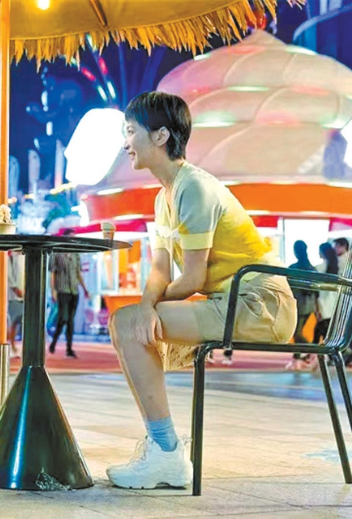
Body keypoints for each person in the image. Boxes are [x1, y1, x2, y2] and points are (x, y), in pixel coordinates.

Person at [107, 91, 297, 489]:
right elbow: (161, 270)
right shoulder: (163, 197)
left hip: (261, 303)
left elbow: (192, 279)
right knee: (126, 322)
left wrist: (147, 309)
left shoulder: (194, 187)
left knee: (127, 324)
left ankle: (165, 454)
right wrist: (146, 305)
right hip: (231, 300)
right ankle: (164, 450)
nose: (125, 143)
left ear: (160, 136)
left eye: (130, 131)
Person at [49, 230, 90, 358]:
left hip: (74, 290)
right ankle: (54, 342)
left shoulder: (76, 255)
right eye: (70, 238)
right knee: (63, 318)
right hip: (62, 290)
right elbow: (52, 273)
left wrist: (85, 289)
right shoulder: (57, 253)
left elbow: (78, 273)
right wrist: (53, 290)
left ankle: (69, 348)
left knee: (71, 320)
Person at [285, 240, 318, 371]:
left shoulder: (293, 268)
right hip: (309, 306)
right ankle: (297, 357)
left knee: (297, 333)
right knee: (297, 332)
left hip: (297, 305)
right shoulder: (311, 268)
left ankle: (313, 351)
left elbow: (287, 286)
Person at [333, 237, 352, 367]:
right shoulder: (351, 259)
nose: (335, 249)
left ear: (343, 246)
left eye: (336, 246)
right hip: (350, 298)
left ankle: (347, 354)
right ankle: (348, 355)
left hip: (346, 298)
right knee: (349, 326)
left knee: (345, 327)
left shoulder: (344, 260)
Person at [7, 250, 25, 358]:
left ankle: (24, 348)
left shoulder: (27, 256)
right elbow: (9, 275)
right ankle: (12, 347)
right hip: (14, 295)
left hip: (26, 293)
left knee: (24, 323)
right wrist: (15, 288)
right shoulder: (11, 257)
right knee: (13, 322)